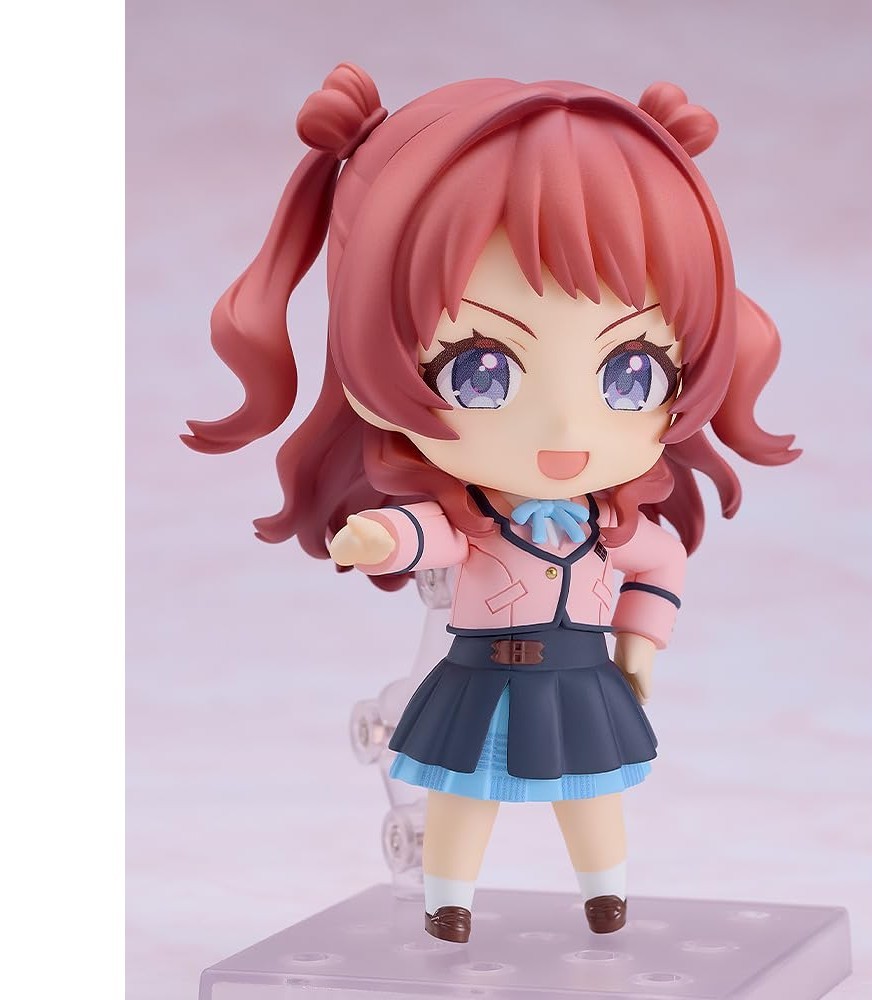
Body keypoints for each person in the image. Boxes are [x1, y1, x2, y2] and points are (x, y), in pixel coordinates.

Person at [183, 63, 799, 943]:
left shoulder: (607, 524)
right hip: (481, 675)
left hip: (582, 674)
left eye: (632, 374)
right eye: (482, 370)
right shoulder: (479, 520)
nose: (566, 427)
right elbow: (426, 535)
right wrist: (375, 536)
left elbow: (662, 561)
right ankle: (449, 901)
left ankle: (605, 895)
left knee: (592, 793)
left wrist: (642, 639)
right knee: (462, 791)